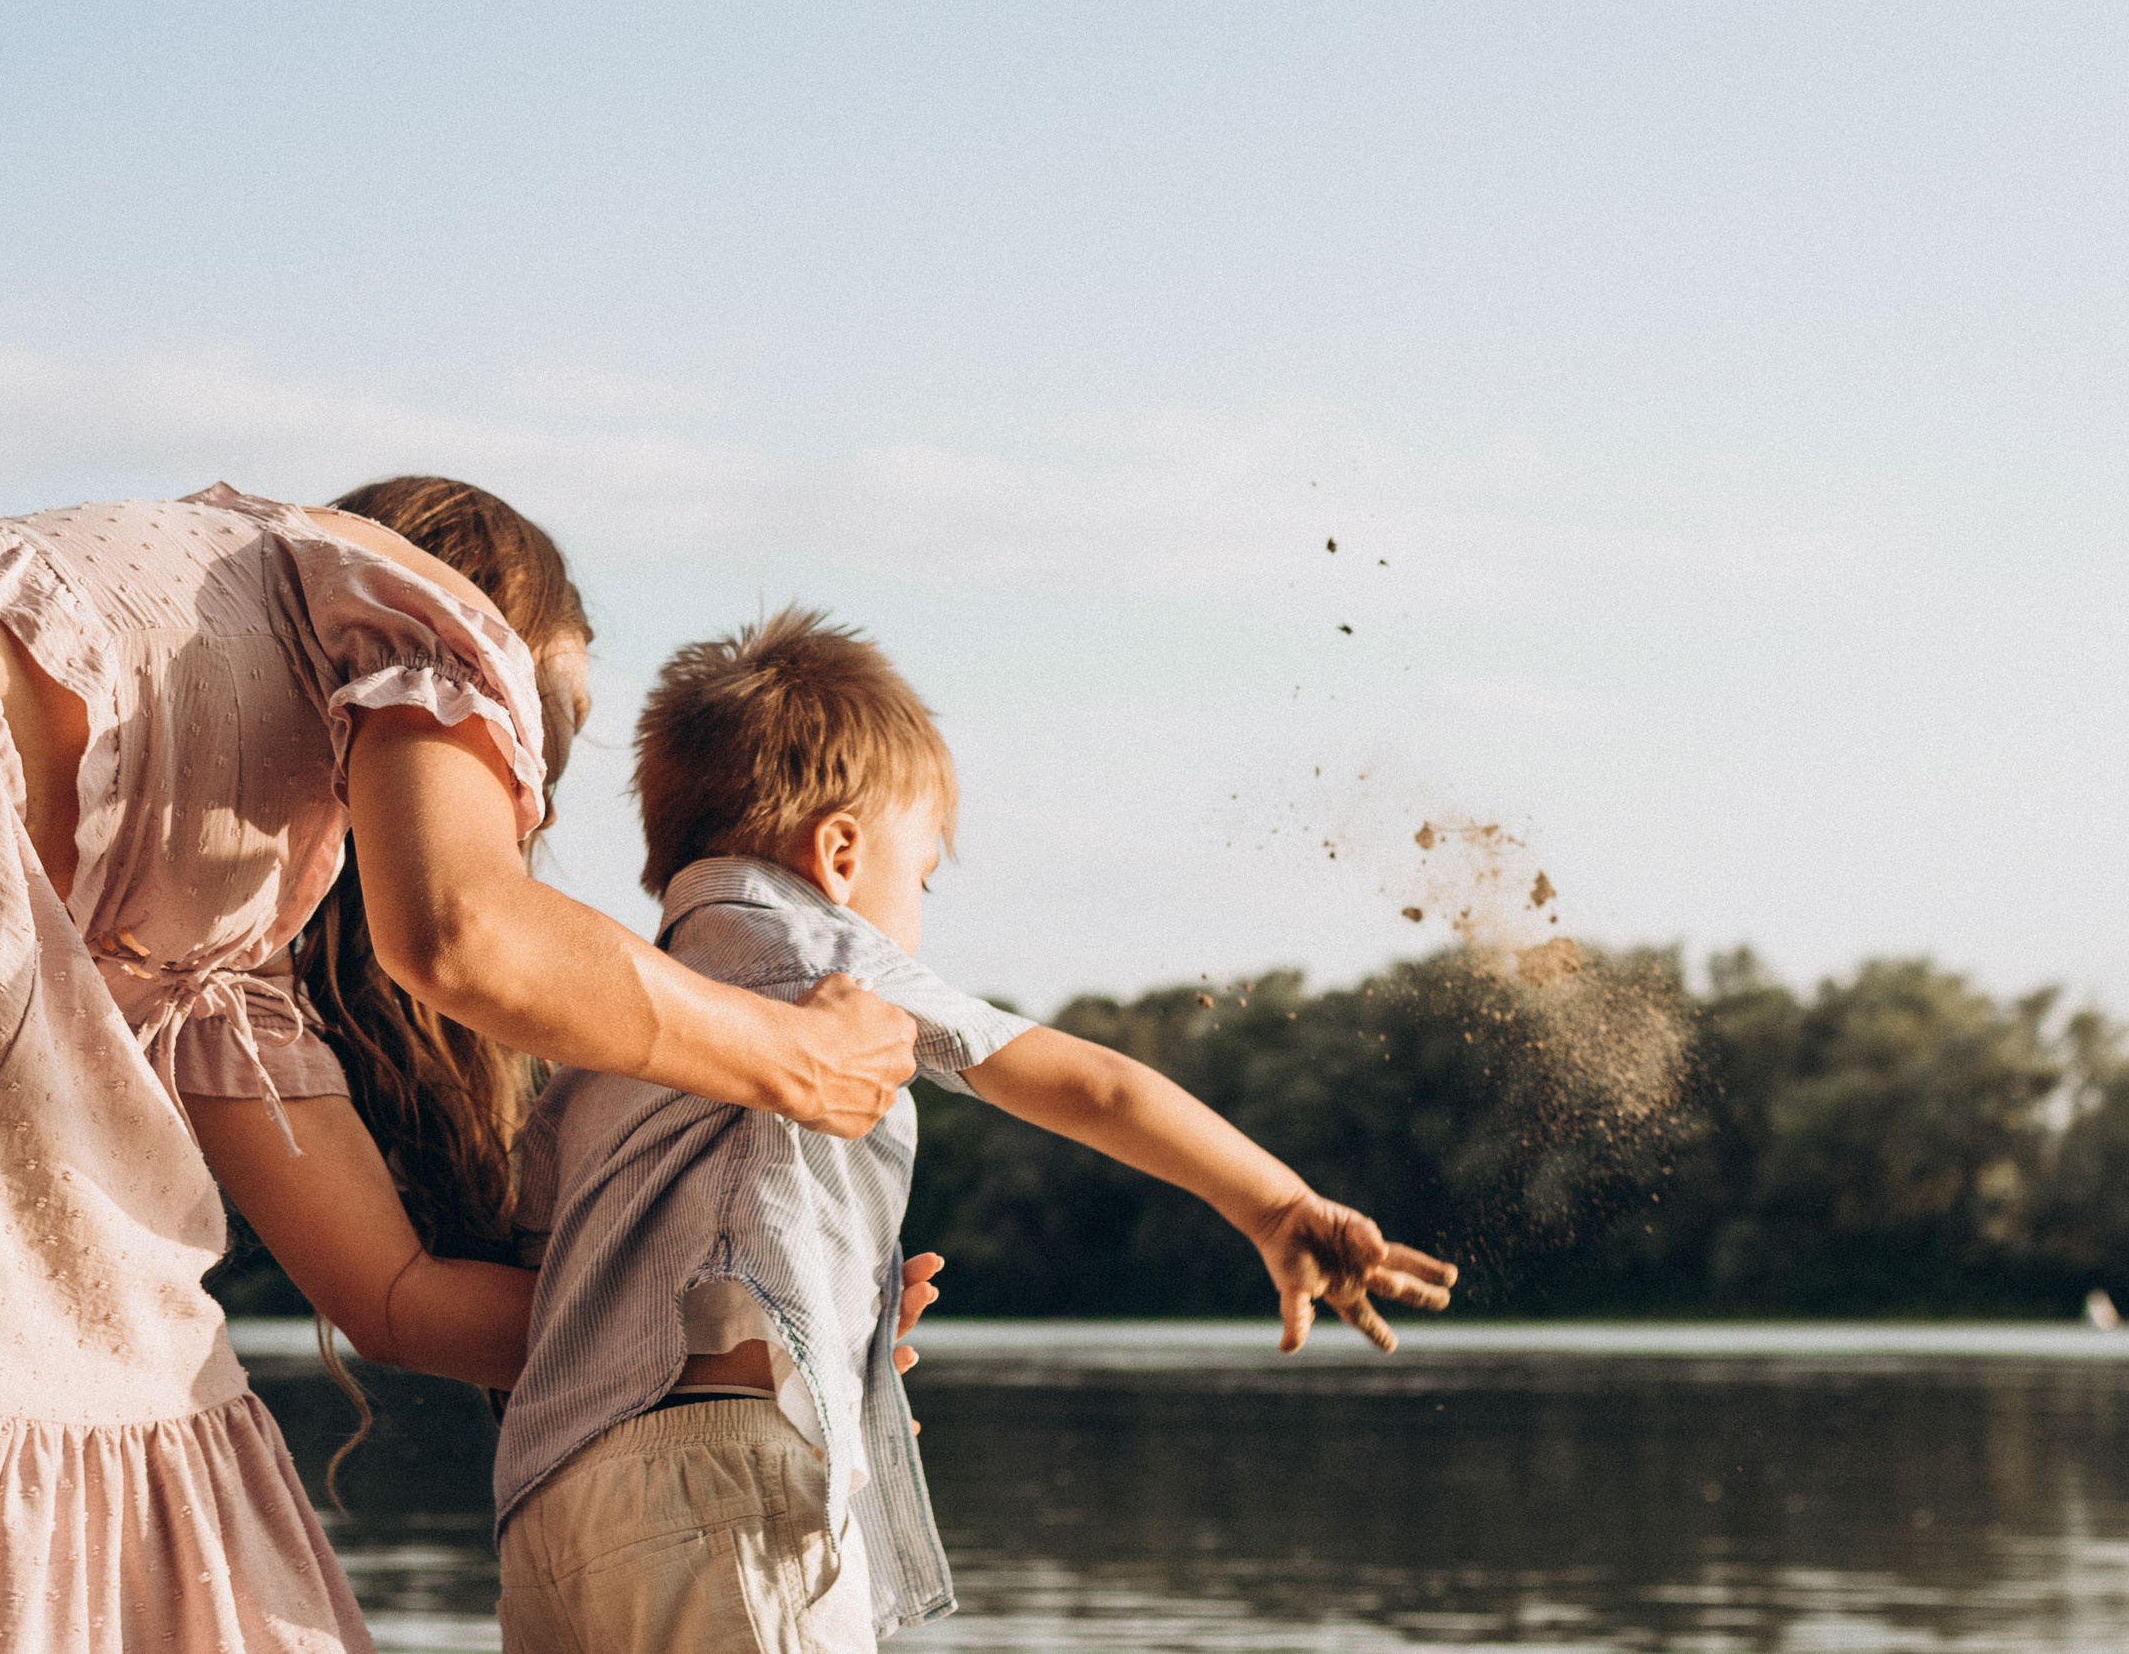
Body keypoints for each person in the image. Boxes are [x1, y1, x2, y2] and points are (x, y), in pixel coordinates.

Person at [0, 480, 922, 1653]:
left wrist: (784, 1313)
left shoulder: (207, 944)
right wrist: (791, 1052)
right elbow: (464, 934)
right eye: (551, 724)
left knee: (61, 1331)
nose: (531, 785)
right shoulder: (430, 605)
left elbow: (396, 1297)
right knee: (87, 1363)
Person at [494, 607, 1460, 1652]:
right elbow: (1089, 1088)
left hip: (552, 1498)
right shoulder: (817, 952)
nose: (920, 908)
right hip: (726, 1477)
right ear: (839, 853)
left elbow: (532, 1257)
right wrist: (1274, 1202)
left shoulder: (612, 1038)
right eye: (922, 878)